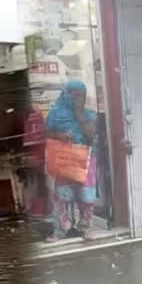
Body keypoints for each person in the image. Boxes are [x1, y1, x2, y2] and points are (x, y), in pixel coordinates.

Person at [45, 80, 98, 242]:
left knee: (86, 197)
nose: (75, 99)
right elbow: (47, 131)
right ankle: (61, 229)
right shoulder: (55, 112)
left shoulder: (89, 115)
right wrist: (59, 136)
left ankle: (86, 228)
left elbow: (90, 137)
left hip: (85, 160)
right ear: (65, 94)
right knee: (62, 196)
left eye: (79, 95)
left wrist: (79, 113)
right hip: (64, 158)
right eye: (72, 95)